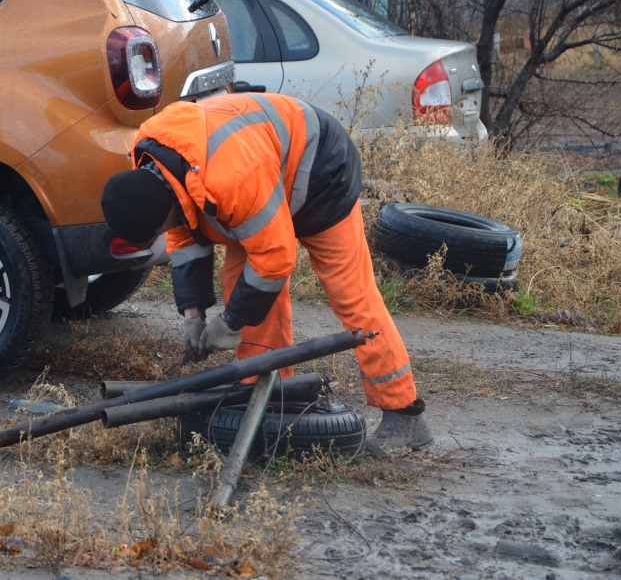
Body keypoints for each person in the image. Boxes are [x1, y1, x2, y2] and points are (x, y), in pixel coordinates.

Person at [100, 93, 431, 454]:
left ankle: (405, 414)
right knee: (245, 287)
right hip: (258, 178)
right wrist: (193, 316)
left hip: (319, 171)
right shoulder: (152, 166)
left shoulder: (230, 180)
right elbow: (184, 230)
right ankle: (269, 394)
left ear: (162, 210)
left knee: (351, 294)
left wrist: (229, 323)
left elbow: (275, 259)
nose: (160, 235)